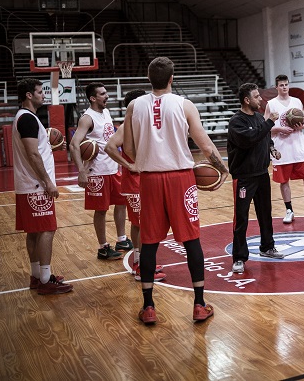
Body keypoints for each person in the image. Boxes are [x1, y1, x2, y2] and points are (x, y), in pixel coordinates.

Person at [123, 56, 228, 324]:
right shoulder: (185, 104)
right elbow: (205, 146)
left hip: (149, 179)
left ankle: (148, 307)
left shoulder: (134, 106)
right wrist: (223, 168)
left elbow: (130, 150)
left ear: (149, 79)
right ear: (172, 78)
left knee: (148, 243)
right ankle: (199, 305)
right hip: (181, 179)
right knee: (191, 240)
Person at [13, 78, 73, 295]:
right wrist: (48, 182)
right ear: (29, 95)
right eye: (39, 92)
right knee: (47, 229)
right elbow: (32, 153)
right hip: (37, 185)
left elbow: (36, 149)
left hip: (27, 184)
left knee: (34, 231)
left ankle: (37, 276)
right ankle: (46, 281)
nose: (43, 95)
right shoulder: (27, 119)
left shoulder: (24, 118)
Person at [105, 89, 167, 282]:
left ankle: (140, 262)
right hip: (134, 183)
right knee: (143, 224)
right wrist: (130, 165)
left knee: (139, 223)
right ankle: (141, 266)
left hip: (142, 181)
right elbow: (109, 147)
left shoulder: (139, 123)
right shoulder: (127, 125)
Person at [69, 82, 131, 260]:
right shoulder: (87, 118)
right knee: (101, 210)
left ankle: (122, 239)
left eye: (106, 92)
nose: (107, 96)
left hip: (112, 168)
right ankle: (103, 247)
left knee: (122, 203)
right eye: (103, 94)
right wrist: (81, 171)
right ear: (93, 98)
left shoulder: (106, 112)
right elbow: (74, 144)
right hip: (97, 172)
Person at [228, 83, 285, 275]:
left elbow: (265, 138)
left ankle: (267, 247)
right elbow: (250, 139)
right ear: (247, 100)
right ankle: (239, 258)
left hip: (262, 174)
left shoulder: (260, 117)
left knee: (265, 213)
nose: (261, 99)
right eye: (256, 97)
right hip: (244, 177)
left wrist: (272, 149)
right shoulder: (237, 122)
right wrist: (269, 122)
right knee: (241, 218)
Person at [264, 74, 304, 224]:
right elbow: (264, 127)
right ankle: (289, 210)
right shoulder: (271, 104)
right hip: (281, 149)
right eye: (281, 85)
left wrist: (299, 126)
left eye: (286, 84)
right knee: (284, 181)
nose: (284, 87)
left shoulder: (297, 101)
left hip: (298, 148)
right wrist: (278, 128)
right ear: (276, 87)